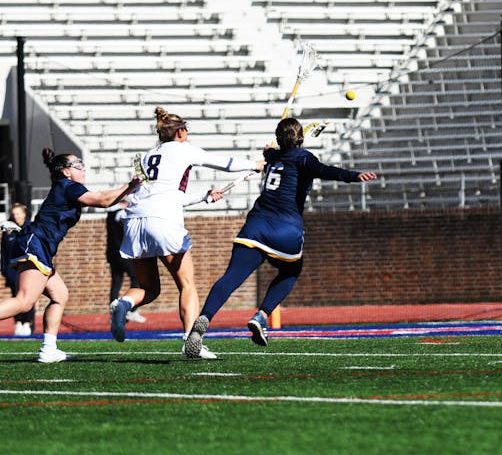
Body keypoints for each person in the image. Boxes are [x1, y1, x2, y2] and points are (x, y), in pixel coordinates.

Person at [184, 117, 377, 357]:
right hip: (285, 230)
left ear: (278, 139)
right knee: (291, 271)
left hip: (256, 226)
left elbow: (272, 155)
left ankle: (201, 323)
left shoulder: (273, 157)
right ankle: (261, 315)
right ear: (301, 139)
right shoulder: (304, 158)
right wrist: (353, 175)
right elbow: (326, 171)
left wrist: (270, 151)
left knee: (231, 278)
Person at [110, 106, 264, 359]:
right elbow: (224, 163)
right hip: (163, 222)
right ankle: (190, 342)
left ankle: (123, 304)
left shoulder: (148, 156)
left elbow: (166, 196)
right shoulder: (183, 149)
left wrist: (203, 196)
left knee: (149, 288)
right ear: (180, 132)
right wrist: (255, 164)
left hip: (135, 222)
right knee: (187, 284)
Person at [0, 148, 139, 362]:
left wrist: (131, 188)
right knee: (25, 302)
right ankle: (48, 349)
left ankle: (48, 349)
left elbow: (105, 201)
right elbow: (103, 200)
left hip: (40, 246)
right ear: (66, 172)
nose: (83, 169)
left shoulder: (67, 186)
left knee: (60, 295)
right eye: (78, 165)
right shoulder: (69, 186)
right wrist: (130, 186)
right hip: (35, 243)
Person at [106, 201, 146, 324]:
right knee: (137, 280)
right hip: (123, 254)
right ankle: (130, 309)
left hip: (112, 254)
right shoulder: (120, 214)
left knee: (116, 282)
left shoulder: (110, 214)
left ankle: (114, 314)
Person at [1, 203, 35, 336]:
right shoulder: (9, 230)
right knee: (16, 296)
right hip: (12, 271)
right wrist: (4, 269)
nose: (16, 216)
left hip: (26, 269)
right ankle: (18, 322)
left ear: (24, 214)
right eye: (14, 214)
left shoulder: (29, 228)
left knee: (27, 297)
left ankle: (27, 322)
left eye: (18, 213)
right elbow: (4, 253)